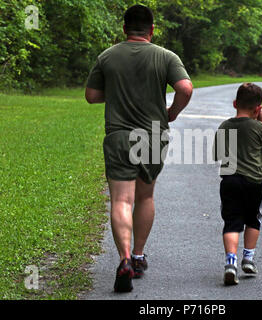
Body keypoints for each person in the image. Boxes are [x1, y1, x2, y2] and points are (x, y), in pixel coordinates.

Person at [85, 4, 193, 293]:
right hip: (152, 136)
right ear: (152, 29)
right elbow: (185, 88)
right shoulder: (165, 56)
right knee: (145, 197)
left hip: (119, 136)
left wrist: (119, 90)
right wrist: (173, 112)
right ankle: (138, 255)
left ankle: (123, 260)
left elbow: (92, 96)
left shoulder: (107, 56)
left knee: (121, 200)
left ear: (124, 28)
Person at [212, 83, 262, 285]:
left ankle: (230, 263)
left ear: (234, 103)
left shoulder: (224, 126)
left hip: (230, 181)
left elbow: (218, 154)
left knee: (231, 221)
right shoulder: (257, 126)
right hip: (253, 182)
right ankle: (248, 258)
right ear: (258, 109)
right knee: (252, 219)